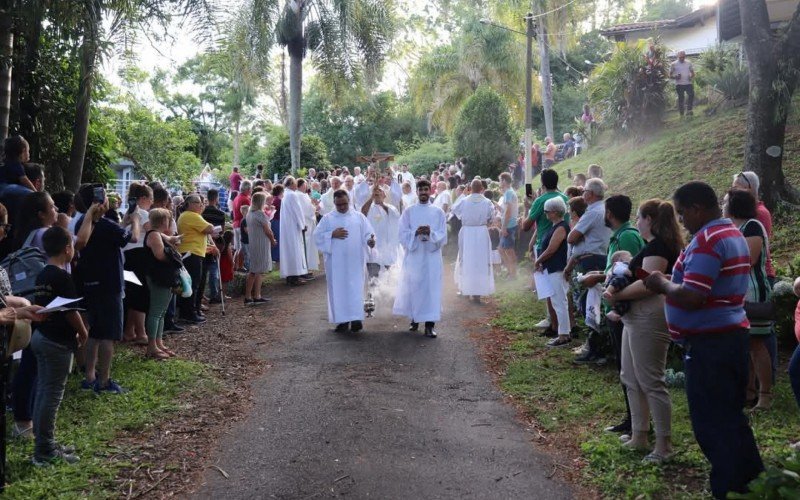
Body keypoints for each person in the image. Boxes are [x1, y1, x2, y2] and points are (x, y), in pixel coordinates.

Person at [644, 181, 763, 498]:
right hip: (729, 337)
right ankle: (752, 483)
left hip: (712, 345)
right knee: (729, 418)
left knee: (712, 424)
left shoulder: (709, 240)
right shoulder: (731, 233)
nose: (681, 221)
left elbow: (694, 295)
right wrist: (674, 282)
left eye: (682, 214)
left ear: (697, 209)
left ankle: (728, 489)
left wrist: (661, 283)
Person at [607, 198, 683, 463]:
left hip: (650, 315)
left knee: (651, 379)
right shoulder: (653, 245)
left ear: (650, 220)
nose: (637, 222)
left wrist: (615, 295)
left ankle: (664, 445)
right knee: (631, 376)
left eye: (640, 218)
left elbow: (650, 284)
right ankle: (639, 434)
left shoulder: (660, 247)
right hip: (637, 315)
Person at [30, 226, 87, 466]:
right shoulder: (62, 277)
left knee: (44, 391)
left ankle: (45, 443)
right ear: (67, 248)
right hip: (56, 342)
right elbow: (69, 310)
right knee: (52, 395)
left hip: (41, 336)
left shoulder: (43, 274)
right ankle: (44, 451)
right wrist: (83, 331)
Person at [75, 185, 139, 394]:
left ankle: (90, 377)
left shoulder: (82, 224)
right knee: (109, 335)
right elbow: (133, 238)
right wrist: (135, 222)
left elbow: (104, 234)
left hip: (90, 284)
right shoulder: (105, 225)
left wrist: (123, 223)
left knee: (95, 332)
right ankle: (104, 381)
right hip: (110, 284)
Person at [724, 189, 773, 411]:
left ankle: (765, 395)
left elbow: (749, 259)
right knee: (746, 344)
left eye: (725, 201)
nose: (722, 204)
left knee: (756, 344)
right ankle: (748, 391)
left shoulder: (752, 226)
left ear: (734, 204)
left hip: (754, 292)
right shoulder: (734, 228)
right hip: (738, 293)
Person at [315, 190, 376, 333]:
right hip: (336, 264)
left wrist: (370, 241)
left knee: (355, 289)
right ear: (334, 203)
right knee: (338, 290)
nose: (342, 207)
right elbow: (317, 236)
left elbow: (368, 233)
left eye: (344, 204)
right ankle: (342, 321)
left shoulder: (358, 217)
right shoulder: (328, 219)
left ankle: (356, 319)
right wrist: (331, 234)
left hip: (355, 260)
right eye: (338, 205)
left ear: (348, 200)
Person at [393, 180, 447, 338]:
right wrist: (415, 233)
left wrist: (431, 233)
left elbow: (443, 235)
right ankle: (415, 320)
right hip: (415, 256)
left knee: (431, 289)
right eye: (420, 190)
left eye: (426, 189)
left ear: (430, 191)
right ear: (416, 192)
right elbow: (402, 233)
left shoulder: (438, 212)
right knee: (414, 287)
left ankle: (430, 325)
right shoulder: (409, 211)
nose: (423, 192)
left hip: (431, 257)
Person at [522, 169, 569, 331]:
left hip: (545, 244)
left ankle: (554, 323)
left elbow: (525, 226)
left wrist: (526, 208)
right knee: (561, 287)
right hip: (564, 243)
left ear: (542, 183)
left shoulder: (540, 200)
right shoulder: (564, 197)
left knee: (549, 287)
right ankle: (562, 323)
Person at [532, 196, 572, 348]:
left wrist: (539, 260)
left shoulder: (561, 227)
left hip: (557, 268)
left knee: (559, 301)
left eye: (547, 211)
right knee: (558, 301)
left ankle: (564, 335)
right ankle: (563, 333)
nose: (545, 214)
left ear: (555, 212)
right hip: (552, 267)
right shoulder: (555, 226)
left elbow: (552, 249)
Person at [143, 208, 181, 359]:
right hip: (159, 277)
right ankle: (152, 347)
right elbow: (159, 255)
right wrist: (174, 259)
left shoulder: (157, 234)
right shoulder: (153, 235)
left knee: (161, 312)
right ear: (163, 221)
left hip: (163, 277)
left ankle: (159, 343)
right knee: (156, 312)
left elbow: (171, 239)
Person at [452, 179, 494, 302]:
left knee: (466, 258)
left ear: (470, 188)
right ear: (482, 188)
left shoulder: (464, 201)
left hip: (467, 232)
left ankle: (465, 288)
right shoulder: (487, 202)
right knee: (480, 261)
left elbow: (455, 210)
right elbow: (491, 217)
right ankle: (477, 293)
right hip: (481, 232)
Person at [121, 183, 152, 345]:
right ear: (143, 199)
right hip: (138, 256)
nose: (151, 203)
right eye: (150, 199)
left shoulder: (127, 214)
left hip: (126, 257)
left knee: (133, 293)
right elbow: (154, 233)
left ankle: (129, 330)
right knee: (141, 293)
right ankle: (141, 332)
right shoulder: (143, 214)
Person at [176, 194, 214, 323]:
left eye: (201, 203)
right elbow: (209, 228)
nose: (201, 205)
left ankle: (190, 311)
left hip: (192, 252)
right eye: (198, 202)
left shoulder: (189, 216)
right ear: (189, 204)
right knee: (192, 284)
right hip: (191, 253)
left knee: (192, 283)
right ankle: (188, 313)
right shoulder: (191, 215)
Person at [244, 192, 278, 305]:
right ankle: (255, 295)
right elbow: (267, 230)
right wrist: (273, 240)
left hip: (254, 243)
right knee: (258, 271)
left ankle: (250, 296)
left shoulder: (249, 214)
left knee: (254, 270)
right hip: (261, 243)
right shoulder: (260, 214)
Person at [361, 184, 400, 278]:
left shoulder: (391, 207)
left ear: (384, 195)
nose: (377, 192)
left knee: (389, 276)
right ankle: (373, 292)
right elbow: (363, 212)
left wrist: (381, 203)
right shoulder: (369, 207)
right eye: (375, 191)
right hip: (373, 246)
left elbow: (394, 216)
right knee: (373, 277)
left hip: (387, 247)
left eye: (380, 191)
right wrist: (371, 198)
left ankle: (390, 292)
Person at [279, 177, 309, 286]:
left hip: (287, 227)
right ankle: (295, 276)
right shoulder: (292, 195)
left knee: (289, 251)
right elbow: (298, 211)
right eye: (295, 182)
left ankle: (290, 276)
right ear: (291, 183)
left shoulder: (285, 195)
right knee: (295, 250)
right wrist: (302, 225)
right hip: (293, 227)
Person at [201, 188, 226, 304]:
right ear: (216, 199)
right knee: (214, 269)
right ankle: (214, 294)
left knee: (204, 270)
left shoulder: (202, 213)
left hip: (204, 242)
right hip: (215, 242)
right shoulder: (221, 214)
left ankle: (201, 295)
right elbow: (222, 231)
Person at [603, 251, 634, 323]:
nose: (631, 257)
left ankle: (614, 312)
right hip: (615, 283)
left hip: (622, 286)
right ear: (620, 259)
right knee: (620, 279)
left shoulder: (629, 264)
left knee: (625, 303)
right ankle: (608, 291)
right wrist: (626, 271)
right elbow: (617, 269)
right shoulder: (618, 264)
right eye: (629, 256)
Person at [498, 172, 519, 279]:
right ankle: (510, 271)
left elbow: (508, 211)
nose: (499, 183)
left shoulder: (508, 193)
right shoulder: (509, 192)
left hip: (509, 225)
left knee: (509, 250)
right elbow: (506, 210)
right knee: (501, 249)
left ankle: (513, 274)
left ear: (504, 181)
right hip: (509, 223)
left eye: (500, 180)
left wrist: (504, 227)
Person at [232, 180, 252, 269]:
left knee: (238, 248)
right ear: (248, 189)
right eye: (250, 188)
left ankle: (235, 265)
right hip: (242, 225)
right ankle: (239, 266)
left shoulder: (237, 197)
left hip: (236, 223)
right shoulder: (245, 199)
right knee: (242, 248)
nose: (251, 190)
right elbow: (249, 213)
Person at [669, 50, 695, 117]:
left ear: (685, 56)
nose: (682, 58)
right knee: (681, 98)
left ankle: (689, 110)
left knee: (691, 95)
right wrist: (675, 77)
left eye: (683, 57)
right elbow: (670, 75)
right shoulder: (673, 64)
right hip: (679, 84)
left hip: (688, 83)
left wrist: (691, 76)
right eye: (680, 57)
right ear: (678, 56)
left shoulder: (689, 63)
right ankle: (682, 113)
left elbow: (693, 73)